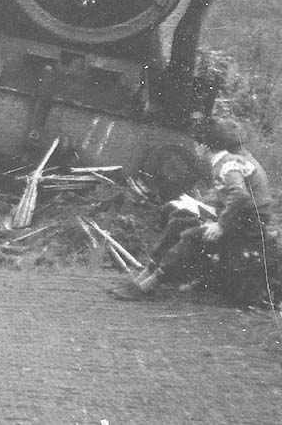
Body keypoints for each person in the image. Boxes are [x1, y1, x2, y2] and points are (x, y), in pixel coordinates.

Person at [113, 117, 277, 303]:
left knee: (191, 236)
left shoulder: (228, 164)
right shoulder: (224, 162)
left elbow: (240, 194)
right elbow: (228, 195)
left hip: (249, 224)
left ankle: (151, 283)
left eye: (197, 144)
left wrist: (221, 225)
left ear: (204, 147)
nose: (195, 148)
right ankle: (146, 273)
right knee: (179, 222)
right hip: (240, 217)